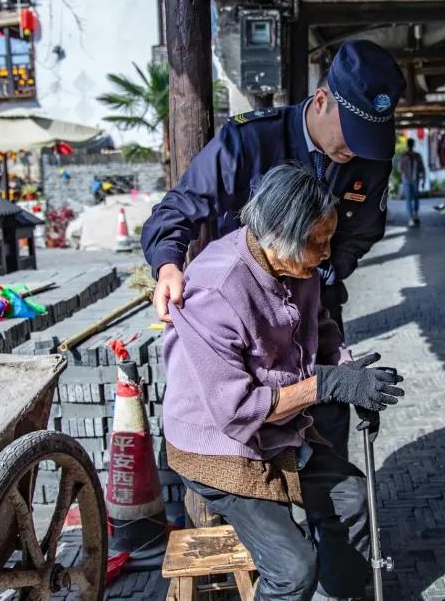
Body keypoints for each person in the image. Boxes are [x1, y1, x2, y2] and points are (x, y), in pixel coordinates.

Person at [141, 39, 406, 458]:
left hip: (316, 307)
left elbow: (364, 229)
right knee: (251, 436)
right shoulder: (249, 141)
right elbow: (178, 208)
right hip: (244, 314)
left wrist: (323, 272)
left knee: (327, 431)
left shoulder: (369, 155)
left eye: (367, 140)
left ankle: (327, 518)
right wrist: (169, 265)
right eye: (351, 135)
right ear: (322, 101)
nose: (355, 151)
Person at [162, 164, 404, 600]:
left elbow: (322, 328)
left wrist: (350, 373)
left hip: (280, 431)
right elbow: (237, 412)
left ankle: (347, 592)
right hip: (220, 447)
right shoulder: (217, 289)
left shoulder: (298, 267)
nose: (327, 253)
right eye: (318, 242)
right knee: (293, 570)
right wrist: (327, 386)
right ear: (281, 236)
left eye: (329, 239)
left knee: (352, 499)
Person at [397, 138, 425, 226]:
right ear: (413, 145)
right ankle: (414, 216)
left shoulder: (406, 155)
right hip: (412, 179)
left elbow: (399, 169)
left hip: (408, 179)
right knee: (414, 198)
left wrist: (404, 173)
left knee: (410, 199)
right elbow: (422, 169)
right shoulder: (415, 155)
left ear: (407, 145)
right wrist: (423, 180)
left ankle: (412, 218)